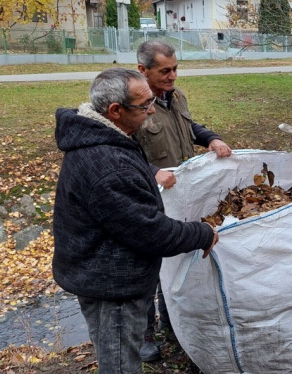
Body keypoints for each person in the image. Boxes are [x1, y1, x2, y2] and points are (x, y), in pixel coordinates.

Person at [53, 68, 218, 373]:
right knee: (119, 364)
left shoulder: (107, 137)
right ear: (115, 111)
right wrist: (203, 234)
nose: (152, 109)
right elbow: (151, 232)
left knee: (114, 351)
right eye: (144, 105)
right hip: (110, 284)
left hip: (102, 269)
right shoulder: (107, 165)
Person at [135, 40, 232, 361]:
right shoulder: (133, 105)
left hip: (180, 200)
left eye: (175, 69)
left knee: (175, 261)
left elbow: (190, 128)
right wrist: (151, 172)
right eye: (165, 71)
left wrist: (212, 139)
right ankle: (144, 334)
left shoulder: (175, 98)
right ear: (143, 71)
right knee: (148, 268)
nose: (173, 76)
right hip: (146, 200)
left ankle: (172, 323)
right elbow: (120, 152)